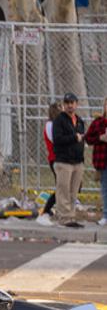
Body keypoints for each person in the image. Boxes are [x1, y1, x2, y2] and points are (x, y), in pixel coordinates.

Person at [54, 92, 87, 226]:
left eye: (72, 103)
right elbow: (58, 139)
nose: (69, 106)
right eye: (67, 103)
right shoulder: (59, 120)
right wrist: (74, 137)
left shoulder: (79, 121)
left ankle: (71, 216)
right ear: (63, 105)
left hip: (77, 161)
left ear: (76, 104)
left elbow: (83, 138)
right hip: (64, 161)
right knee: (64, 190)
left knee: (73, 192)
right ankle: (64, 217)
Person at [86, 100, 107, 227]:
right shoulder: (98, 122)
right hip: (103, 161)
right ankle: (105, 216)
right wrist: (100, 138)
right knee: (105, 189)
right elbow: (88, 139)